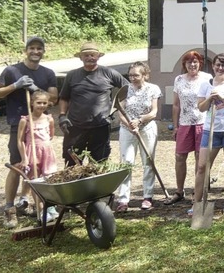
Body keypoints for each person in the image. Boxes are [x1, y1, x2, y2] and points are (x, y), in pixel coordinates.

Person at [0, 36, 57, 229]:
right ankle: (9, 209)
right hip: (18, 124)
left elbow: (54, 98)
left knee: (37, 166)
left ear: (43, 51)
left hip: (39, 126)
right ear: (26, 50)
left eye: (39, 49)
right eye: (32, 48)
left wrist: (36, 89)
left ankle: (32, 203)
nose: (36, 52)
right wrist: (15, 86)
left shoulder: (48, 73)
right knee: (19, 165)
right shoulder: (12, 71)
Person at [58, 42, 128, 166]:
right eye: (86, 55)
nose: (90, 57)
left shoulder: (109, 73)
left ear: (98, 57)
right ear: (80, 57)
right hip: (75, 126)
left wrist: (118, 107)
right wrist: (62, 116)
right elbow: (64, 98)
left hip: (100, 126)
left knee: (98, 163)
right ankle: (76, 185)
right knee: (72, 162)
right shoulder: (72, 75)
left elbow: (128, 89)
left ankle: (95, 185)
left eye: (92, 55)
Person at [194, 53, 224, 214]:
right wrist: (210, 98)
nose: (220, 68)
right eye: (217, 65)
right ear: (213, 66)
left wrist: (222, 97)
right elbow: (201, 107)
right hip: (211, 129)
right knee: (202, 166)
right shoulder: (205, 84)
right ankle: (197, 202)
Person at [164, 51, 212, 205]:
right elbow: (176, 105)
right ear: (184, 64)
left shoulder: (207, 78)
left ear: (200, 63)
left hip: (202, 122)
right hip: (184, 123)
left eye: (195, 62)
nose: (192, 65)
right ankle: (179, 191)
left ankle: (197, 192)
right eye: (189, 62)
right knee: (180, 157)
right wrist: (175, 125)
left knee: (200, 158)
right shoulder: (179, 79)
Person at [115, 62, 162, 212]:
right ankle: (123, 199)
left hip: (147, 128)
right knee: (126, 163)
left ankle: (147, 197)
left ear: (145, 75)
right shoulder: (125, 90)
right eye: (130, 75)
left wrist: (140, 121)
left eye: (136, 75)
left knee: (148, 162)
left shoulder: (153, 89)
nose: (133, 78)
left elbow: (154, 112)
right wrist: (129, 124)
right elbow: (120, 111)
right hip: (127, 130)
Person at [17, 90, 59, 223]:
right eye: (38, 102)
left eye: (44, 103)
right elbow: (20, 140)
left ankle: (51, 208)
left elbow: (51, 135)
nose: (41, 105)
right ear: (32, 103)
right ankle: (41, 210)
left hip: (47, 152)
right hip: (32, 152)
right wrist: (24, 158)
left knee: (48, 180)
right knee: (35, 182)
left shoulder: (49, 119)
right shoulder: (26, 120)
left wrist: (44, 147)